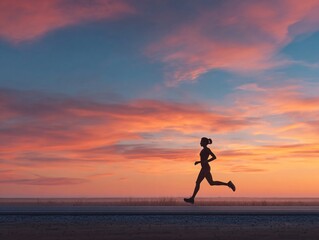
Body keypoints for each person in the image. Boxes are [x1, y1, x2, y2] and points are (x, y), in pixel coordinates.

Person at [184, 137, 236, 204]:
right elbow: (203, 160)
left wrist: (205, 161)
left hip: (205, 168)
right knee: (211, 183)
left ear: (205, 143)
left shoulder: (207, 149)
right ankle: (228, 184)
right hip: (204, 168)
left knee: (198, 182)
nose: (200, 142)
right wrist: (199, 162)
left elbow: (214, 157)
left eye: (202, 141)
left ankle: (192, 198)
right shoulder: (203, 150)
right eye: (201, 141)